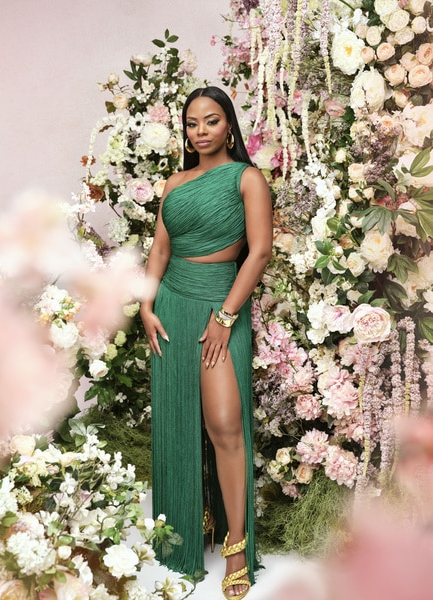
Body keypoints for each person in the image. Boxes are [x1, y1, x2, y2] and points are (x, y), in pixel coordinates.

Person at [140, 86, 273, 599]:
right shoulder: (174, 183)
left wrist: (225, 316)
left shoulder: (247, 178)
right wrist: (148, 304)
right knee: (179, 418)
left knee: (224, 424)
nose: (201, 131)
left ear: (229, 127)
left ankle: (236, 545)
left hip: (221, 304)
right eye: (192, 123)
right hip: (172, 304)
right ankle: (187, 528)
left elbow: (258, 253)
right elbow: (160, 248)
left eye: (211, 121)